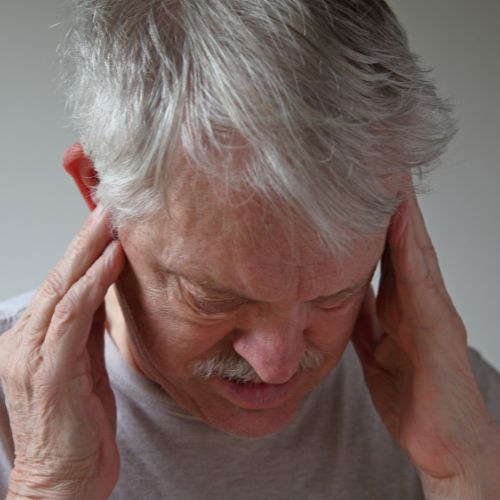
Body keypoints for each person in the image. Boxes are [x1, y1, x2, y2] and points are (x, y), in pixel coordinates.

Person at [1, 0, 499, 498]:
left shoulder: (462, 406)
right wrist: (49, 486)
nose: (276, 364)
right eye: (214, 297)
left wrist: (465, 471)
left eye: (335, 296)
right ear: (99, 186)